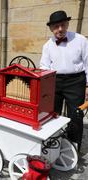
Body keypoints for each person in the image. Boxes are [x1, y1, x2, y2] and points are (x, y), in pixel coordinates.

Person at [40, 10, 88, 150]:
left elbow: (87, 63)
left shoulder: (81, 40)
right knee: (53, 114)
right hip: (55, 81)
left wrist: (87, 85)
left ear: (67, 24)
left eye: (62, 25)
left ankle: (73, 147)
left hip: (76, 81)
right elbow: (44, 66)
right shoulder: (47, 45)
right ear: (51, 28)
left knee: (76, 115)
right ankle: (54, 143)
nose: (60, 29)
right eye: (56, 26)